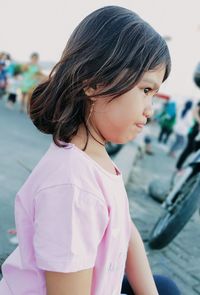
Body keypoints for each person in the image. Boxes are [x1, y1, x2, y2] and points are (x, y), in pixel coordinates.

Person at [0, 6, 180, 295]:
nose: (150, 110)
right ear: (94, 83)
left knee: (164, 287)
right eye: (146, 90)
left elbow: (125, 227)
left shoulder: (94, 156)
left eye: (155, 95)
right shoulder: (73, 187)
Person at [176, 100, 200, 170]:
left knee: (194, 151)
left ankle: (189, 169)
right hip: (195, 131)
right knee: (189, 149)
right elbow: (194, 111)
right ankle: (179, 166)